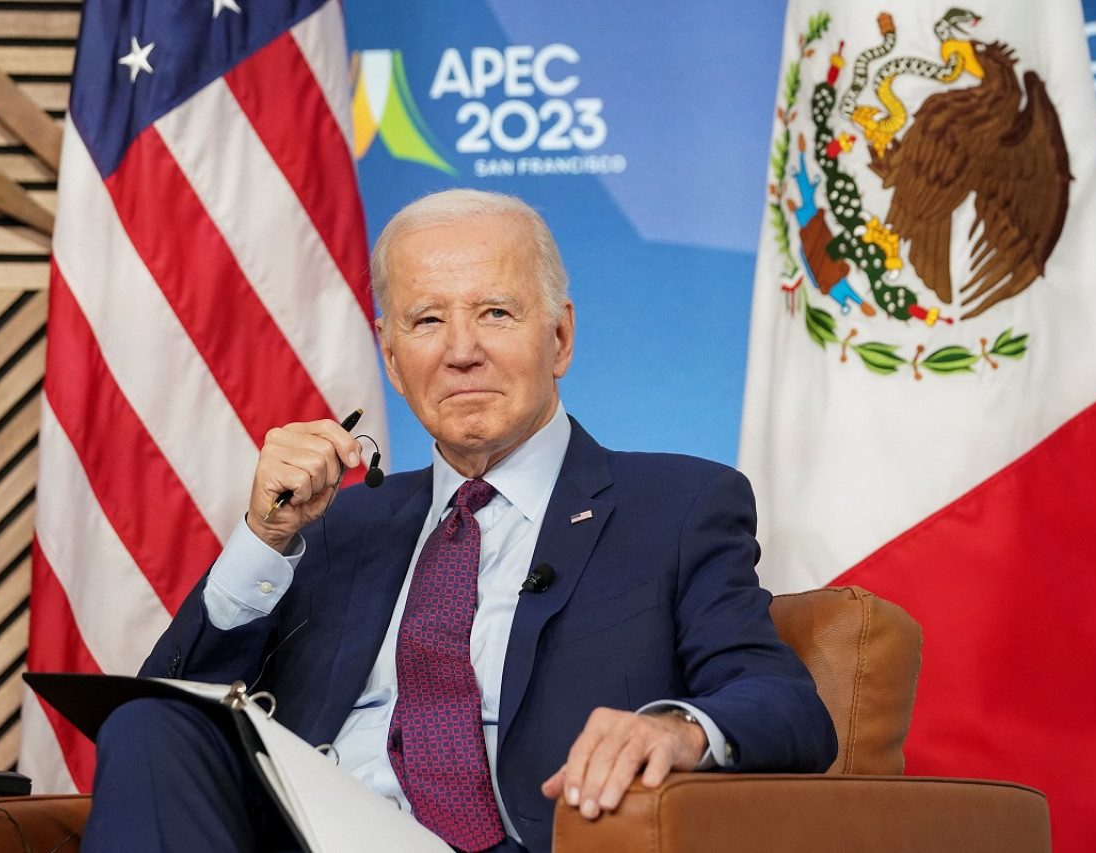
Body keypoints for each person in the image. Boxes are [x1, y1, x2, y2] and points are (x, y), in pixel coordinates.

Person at [82, 189, 836, 853]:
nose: (461, 352)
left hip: (525, 833)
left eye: (495, 313)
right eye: (427, 320)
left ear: (560, 337)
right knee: (148, 725)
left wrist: (677, 729)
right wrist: (264, 537)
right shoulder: (342, 522)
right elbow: (172, 725)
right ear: (389, 351)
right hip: (313, 831)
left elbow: (781, 701)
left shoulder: (675, 505)